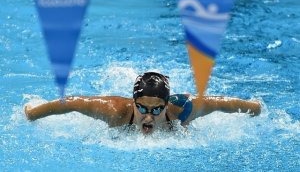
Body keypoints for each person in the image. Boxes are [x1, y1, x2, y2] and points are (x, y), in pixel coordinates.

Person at [24, 72, 261, 134]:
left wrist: (255, 108)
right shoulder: (116, 112)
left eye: (157, 109)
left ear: (166, 105)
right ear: (134, 102)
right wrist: (33, 113)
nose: (149, 116)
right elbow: (73, 102)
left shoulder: (182, 110)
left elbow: (222, 103)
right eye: (143, 108)